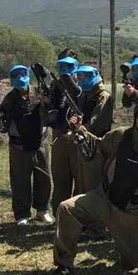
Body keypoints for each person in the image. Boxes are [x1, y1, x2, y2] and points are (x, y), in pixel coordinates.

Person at [53, 98, 138, 272]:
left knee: (132, 264)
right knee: (66, 208)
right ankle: (63, 264)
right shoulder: (120, 135)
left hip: (131, 212)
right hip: (103, 198)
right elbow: (97, 146)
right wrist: (80, 129)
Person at [0, 65, 54, 225]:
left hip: (40, 143)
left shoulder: (39, 92)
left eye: (23, 74)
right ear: (11, 79)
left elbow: (50, 111)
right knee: (20, 180)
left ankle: (42, 210)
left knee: (44, 178)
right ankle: (22, 214)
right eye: (15, 75)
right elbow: (2, 122)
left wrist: (46, 102)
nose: (20, 78)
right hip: (19, 146)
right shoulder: (9, 99)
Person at [49, 55, 82, 214]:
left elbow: (79, 96)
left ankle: (77, 214)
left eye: (68, 67)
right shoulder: (55, 84)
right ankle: (59, 215)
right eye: (61, 66)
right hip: (59, 133)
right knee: (60, 177)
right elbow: (52, 107)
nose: (64, 70)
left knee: (80, 178)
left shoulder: (82, 81)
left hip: (77, 135)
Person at [74, 65, 113, 193]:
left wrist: (80, 129)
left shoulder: (103, 95)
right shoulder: (84, 95)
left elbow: (95, 120)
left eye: (87, 76)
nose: (83, 80)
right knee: (81, 179)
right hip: (83, 139)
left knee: (94, 181)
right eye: (80, 76)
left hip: (97, 141)